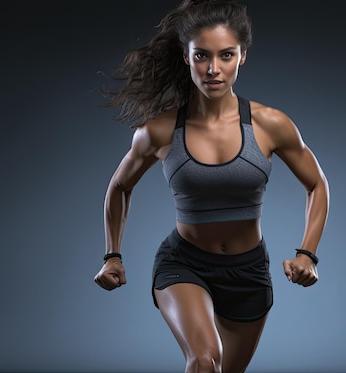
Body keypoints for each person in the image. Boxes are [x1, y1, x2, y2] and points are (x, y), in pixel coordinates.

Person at [94, 0, 330, 372]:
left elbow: (316, 183)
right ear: (186, 57)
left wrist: (308, 254)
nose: (214, 69)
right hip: (184, 263)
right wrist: (112, 256)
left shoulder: (270, 125)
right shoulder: (158, 131)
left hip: (249, 270)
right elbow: (119, 187)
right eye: (202, 55)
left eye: (226, 55)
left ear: (242, 57)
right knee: (205, 361)